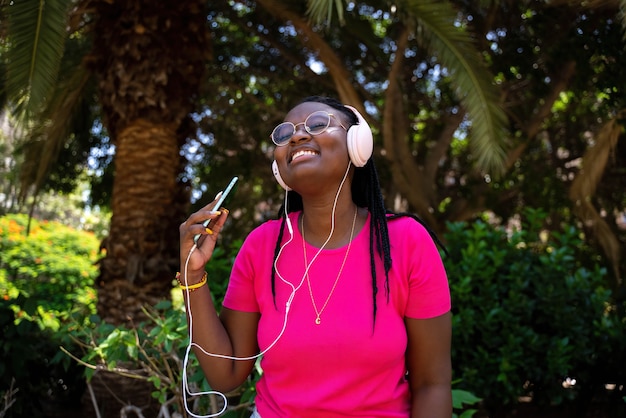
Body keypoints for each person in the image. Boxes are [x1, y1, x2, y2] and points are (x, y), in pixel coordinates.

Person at [178, 96, 452, 418]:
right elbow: (225, 376)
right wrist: (192, 276)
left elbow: (432, 384)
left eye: (317, 124)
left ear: (357, 144)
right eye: (284, 134)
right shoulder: (261, 246)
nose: (296, 136)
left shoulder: (405, 242)